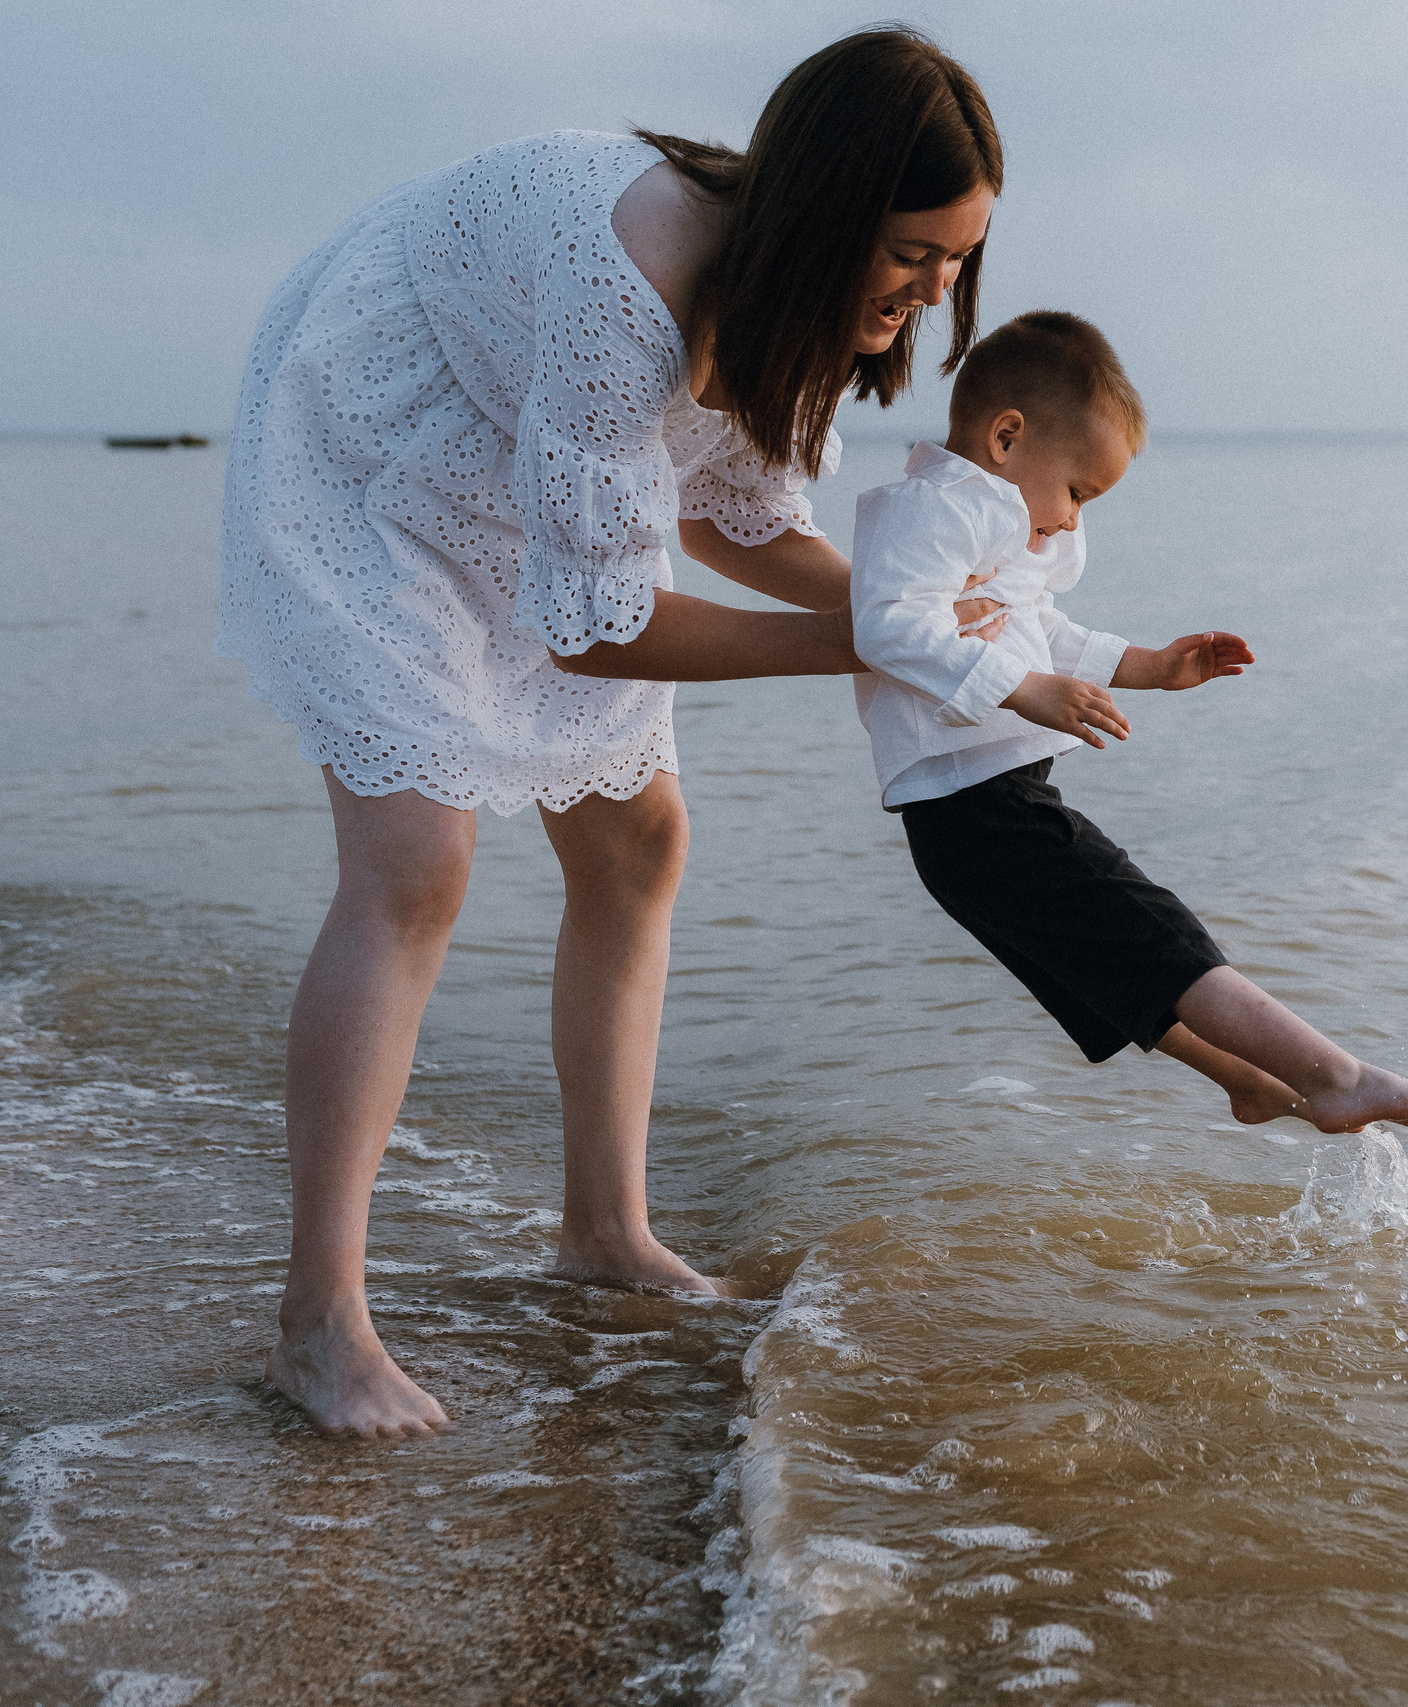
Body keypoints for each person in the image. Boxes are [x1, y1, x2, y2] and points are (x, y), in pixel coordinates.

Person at [215, 28, 1006, 1440]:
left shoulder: (781, 294)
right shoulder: (628, 278)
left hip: (522, 449)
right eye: (908, 254)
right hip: (376, 421)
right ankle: (317, 1321)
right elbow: (598, 622)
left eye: (957, 261)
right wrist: (864, 641)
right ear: (827, 208)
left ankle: (603, 1229)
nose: (930, 294)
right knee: (416, 862)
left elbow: (735, 517)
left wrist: (924, 611)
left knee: (641, 840)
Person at [565, 312, 1408, 1138]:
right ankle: (1335, 1072)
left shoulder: (995, 524)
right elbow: (890, 625)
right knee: (1151, 930)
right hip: (975, 808)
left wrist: (1150, 666)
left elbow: (1046, 632)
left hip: (979, 811)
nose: (1073, 517)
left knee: (1098, 961)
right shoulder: (930, 512)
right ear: (1007, 438)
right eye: (1077, 489)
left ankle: (1242, 1077)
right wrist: (1021, 689)